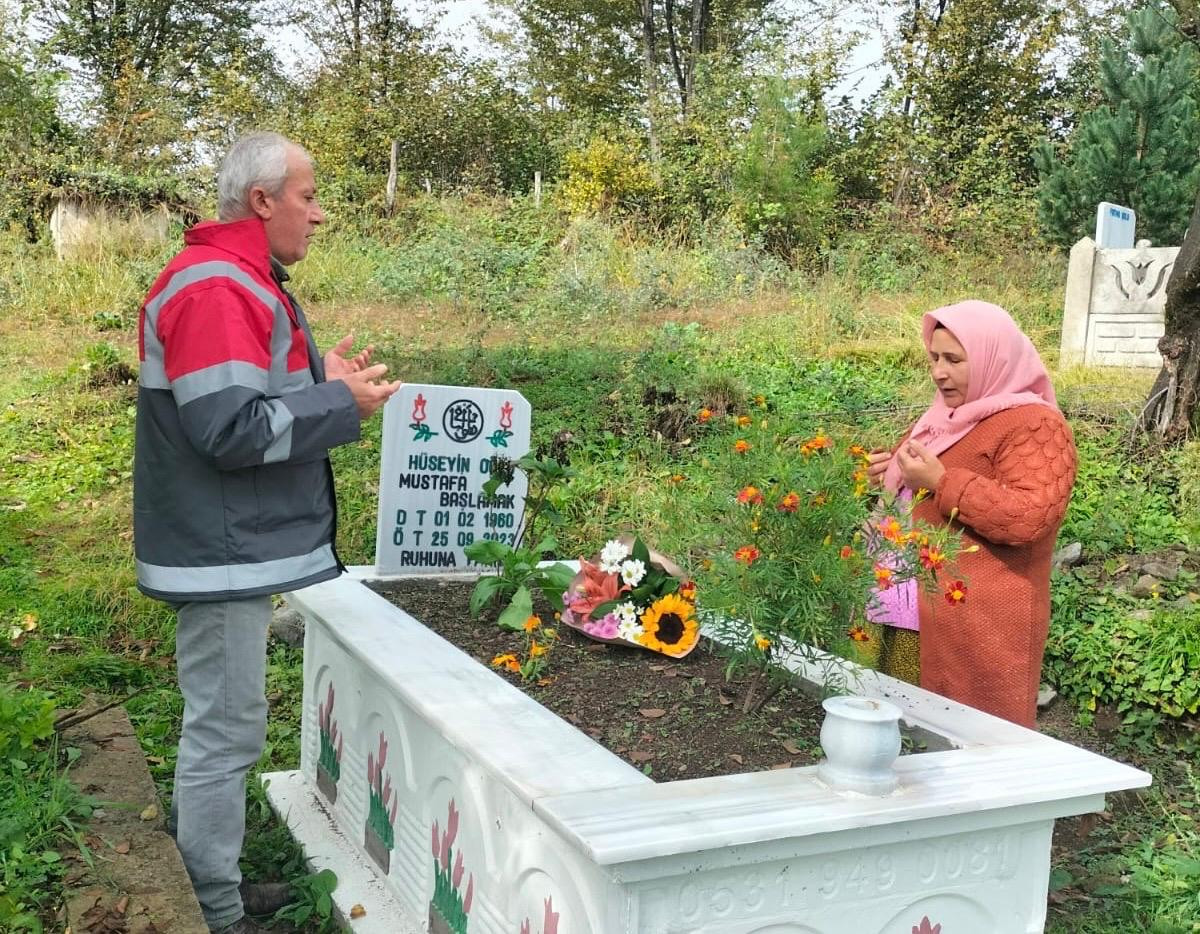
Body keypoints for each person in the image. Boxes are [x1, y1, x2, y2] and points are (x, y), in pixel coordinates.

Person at [133, 132, 401, 933]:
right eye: (308, 197)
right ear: (262, 201)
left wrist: (318, 383)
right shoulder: (221, 286)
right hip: (219, 552)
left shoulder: (236, 278)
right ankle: (213, 907)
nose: (318, 216)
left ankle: (215, 876)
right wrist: (337, 406)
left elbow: (241, 397)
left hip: (227, 545)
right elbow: (226, 429)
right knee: (222, 731)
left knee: (228, 726)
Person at [865, 300, 1077, 728]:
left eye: (954, 360)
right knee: (902, 731)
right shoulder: (942, 418)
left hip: (980, 620)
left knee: (974, 746)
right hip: (909, 609)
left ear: (990, 358)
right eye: (934, 358)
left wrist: (943, 482)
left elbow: (1031, 516)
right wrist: (885, 474)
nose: (939, 372)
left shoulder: (1035, 425)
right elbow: (912, 489)